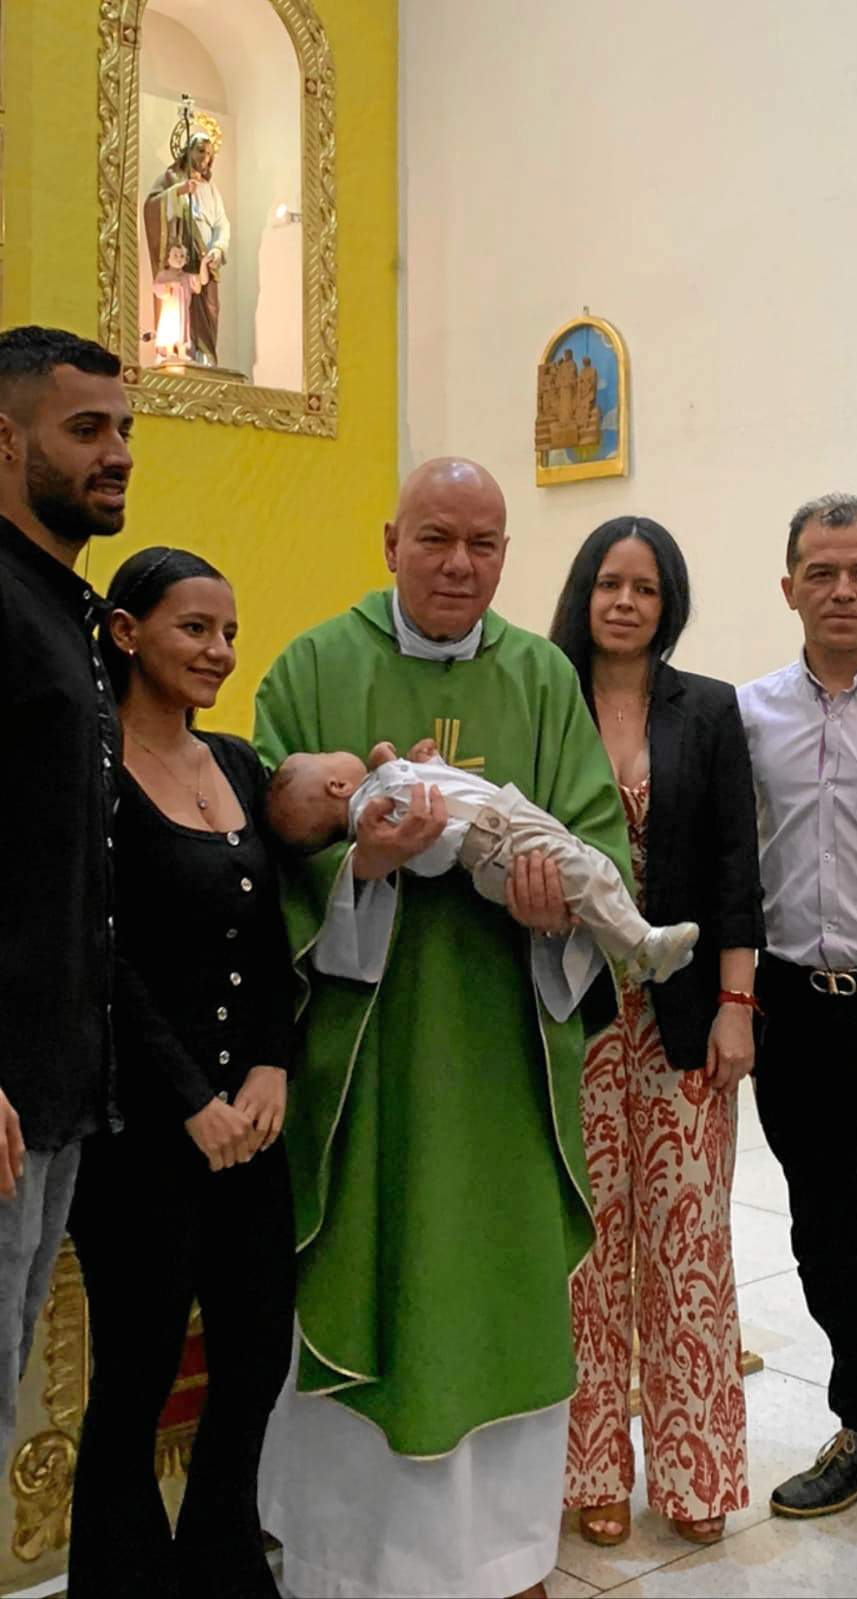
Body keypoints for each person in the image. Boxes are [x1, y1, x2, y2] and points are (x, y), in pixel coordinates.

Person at [254, 456, 632, 1599]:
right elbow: (261, 860)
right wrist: (361, 868)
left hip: (502, 1056)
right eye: (434, 538)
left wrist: (558, 907)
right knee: (367, 1276)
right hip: (364, 1067)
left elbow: (598, 846)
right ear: (389, 543)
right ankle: (345, 1563)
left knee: (496, 1294)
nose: (458, 565)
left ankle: (504, 1558)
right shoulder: (310, 667)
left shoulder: (543, 678)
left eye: (482, 543)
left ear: (505, 555)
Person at [65, 547, 297, 1599]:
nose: (219, 651)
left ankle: (220, 1563)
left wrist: (271, 1061)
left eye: (229, 632)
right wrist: (190, 1099)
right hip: (144, 1134)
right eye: (194, 628)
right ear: (125, 633)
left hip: (251, 1126)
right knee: (139, 1373)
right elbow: (99, 954)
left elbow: (272, 928)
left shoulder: (238, 763)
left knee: (254, 1358)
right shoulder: (89, 769)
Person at [550, 516, 764, 1548]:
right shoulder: (543, 697)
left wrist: (735, 1003)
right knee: (588, 1251)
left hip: (682, 1018)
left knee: (687, 1244)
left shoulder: (708, 710)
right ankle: (590, 1469)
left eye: (643, 587)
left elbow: (735, 868)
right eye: (608, 583)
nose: (624, 602)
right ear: (583, 594)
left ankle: (695, 1471)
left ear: (667, 601)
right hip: (575, 1016)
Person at [738, 492, 857, 1517]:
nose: (841, 589)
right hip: (793, 1005)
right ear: (788, 586)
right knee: (824, 1223)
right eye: (820, 572)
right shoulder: (745, 715)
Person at [0, 324, 132, 1470]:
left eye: (123, 429)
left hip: (53, 1089)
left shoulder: (68, 614)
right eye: (85, 429)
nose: (118, 453)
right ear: (6, 441)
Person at [268, 737, 698, 982]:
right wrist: (362, 863)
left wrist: (431, 764)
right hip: (493, 841)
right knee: (578, 871)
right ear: (337, 786)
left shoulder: (543, 671)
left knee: (591, 864)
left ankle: (636, 943)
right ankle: (641, 946)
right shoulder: (373, 802)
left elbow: (443, 793)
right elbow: (414, 805)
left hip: (502, 822)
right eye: (322, 757)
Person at [145, 129, 230, 365]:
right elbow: (152, 206)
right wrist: (179, 191)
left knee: (210, 308)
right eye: (200, 151)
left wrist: (218, 248)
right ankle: (182, 351)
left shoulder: (211, 189)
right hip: (183, 258)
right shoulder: (171, 178)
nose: (205, 158)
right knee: (181, 305)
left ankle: (206, 357)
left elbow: (222, 223)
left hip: (206, 259)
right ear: (187, 151)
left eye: (209, 154)